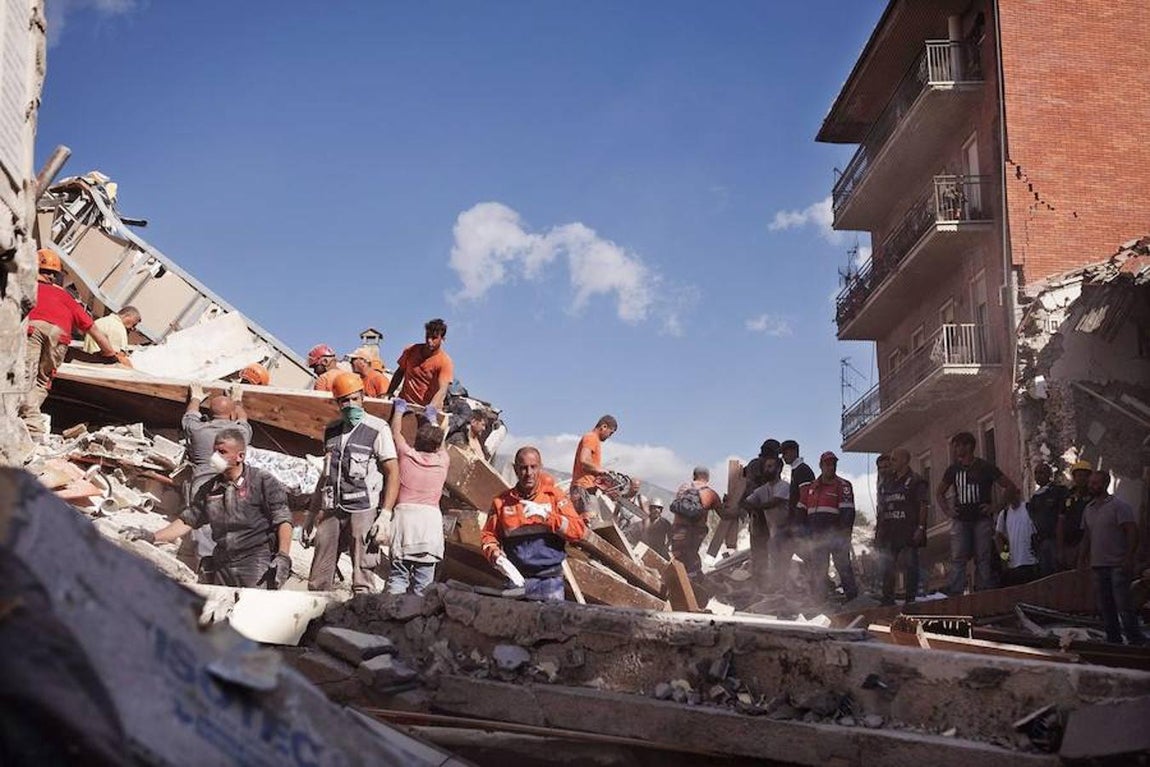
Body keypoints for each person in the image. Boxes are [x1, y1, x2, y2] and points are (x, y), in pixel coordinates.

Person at [123, 429, 293, 589]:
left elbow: (283, 519)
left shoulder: (262, 481)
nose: (215, 457)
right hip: (223, 563)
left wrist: (283, 555)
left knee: (251, 613)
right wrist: (152, 536)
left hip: (255, 562)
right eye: (215, 451)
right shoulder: (210, 488)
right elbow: (188, 520)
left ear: (240, 456)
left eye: (222, 452)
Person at [305, 372, 399, 593]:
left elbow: (393, 472)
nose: (349, 404)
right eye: (344, 400)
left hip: (363, 508)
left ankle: (361, 613)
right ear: (337, 402)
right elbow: (325, 475)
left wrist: (385, 514)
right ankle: (315, 616)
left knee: (363, 569)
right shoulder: (331, 430)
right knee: (320, 569)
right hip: (332, 507)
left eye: (354, 398)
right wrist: (311, 514)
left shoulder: (377, 428)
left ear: (362, 397)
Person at [20, 249, 123, 438]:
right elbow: (93, 329)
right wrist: (110, 355)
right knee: (42, 382)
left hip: (32, 330)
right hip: (60, 337)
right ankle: (28, 423)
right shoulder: (66, 297)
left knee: (24, 378)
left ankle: (32, 426)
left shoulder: (24, 288)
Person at [481, 446, 587, 601]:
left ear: (540, 468)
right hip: (517, 580)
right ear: (515, 469)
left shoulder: (554, 497)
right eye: (523, 468)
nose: (529, 473)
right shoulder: (502, 503)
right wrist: (494, 554)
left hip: (549, 581)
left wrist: (549, 517)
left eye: (533, 467)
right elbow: (488, 536)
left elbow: (578, 531)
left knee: (550, 624)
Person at [372, 398, 448, 596]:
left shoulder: (406, 456)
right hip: (430, 524)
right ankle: (417, 620)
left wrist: (399, 411)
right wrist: (432, 418)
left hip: (406, 520)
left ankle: (391, 615)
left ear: (417, 441)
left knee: (398, 576)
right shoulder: (442, 462)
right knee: (424, 583)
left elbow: (395, 433)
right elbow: (441, 444)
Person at [181, 384, 253, 571]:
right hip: (231, 488)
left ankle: (206, 570)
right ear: (231, 416)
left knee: (204, 531)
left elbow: (189, 416)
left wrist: (196, 398)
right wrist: (237, 400)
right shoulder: (240, 435)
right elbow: (243, 418)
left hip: (202, 487)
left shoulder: (198, 431)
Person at [937, 431, 1018, 594]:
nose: (956, 449)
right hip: (961, 519)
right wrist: (948, 511)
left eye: (958, 445)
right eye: (955, 446)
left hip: (982, 519)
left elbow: (1010, 486)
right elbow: (939, 492)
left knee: (983, 556)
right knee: (959, 556)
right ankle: (956, 590)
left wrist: (996, 506)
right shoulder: (953, 470)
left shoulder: (985, 467)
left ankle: (984, 589)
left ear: (968, 446)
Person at [1078, 470, 1146, 645]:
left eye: (1095, 483)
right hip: (1098, 565)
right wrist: (1081, 559)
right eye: (1090, 483)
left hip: (1117, 564)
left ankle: (1135, 640)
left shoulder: (1118, 506)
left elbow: (1131, 531)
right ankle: (1113, 640)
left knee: (1124, 605)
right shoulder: (1088, 509)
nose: (1091, 486)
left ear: (1105, 484)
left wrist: (1129, 557)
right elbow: (1087, 536)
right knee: (1105, 607)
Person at [797, 452, 858, 602]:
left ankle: (853, 599)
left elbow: (848, 512)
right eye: (828, 464)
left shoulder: (843, 486)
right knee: (819, 569)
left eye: (833, 464)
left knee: (843, 566)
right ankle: (820, 601)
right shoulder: (812, 487)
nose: (831, 467)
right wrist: (802, 533)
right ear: (821, 466)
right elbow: (801, 511)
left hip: (836, 535)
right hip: (817, 536)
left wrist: (844, 534)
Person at [874, 448, 928, 605]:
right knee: (887, 566)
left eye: (894, 460)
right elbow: (881, 509)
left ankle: (911, 599)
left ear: (904, 460)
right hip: (889, 532)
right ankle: (887, 599)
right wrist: (878, 532)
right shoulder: (887, 482)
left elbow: (923, 505)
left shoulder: (916, 480)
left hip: (908, 531)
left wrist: (921, 528)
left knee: (910, 564)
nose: (891, 463)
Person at [741, 454, 791, 592]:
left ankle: (784, 591)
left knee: (782, 563)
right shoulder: (763, 489)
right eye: (766, 467)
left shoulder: (784, 487)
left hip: (786, 532)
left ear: (779, 468)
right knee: (774, 562)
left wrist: (755, 507)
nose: (767, 470)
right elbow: (747, 502)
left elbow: (773, 503)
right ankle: (774, 590)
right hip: (773, 532)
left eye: (770, 466)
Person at [385, 318, 454, 408]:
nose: (429, 341)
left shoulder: (445, 362)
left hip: (426, 408)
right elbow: (400, 372)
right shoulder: (411, 350)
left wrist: (431, 408)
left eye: (434, 338)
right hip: (404, 404)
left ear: (443, 339)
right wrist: (389, 393)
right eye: (427, 336)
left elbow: (442, 390)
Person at [669, 467, 722, 577]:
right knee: (692, 556)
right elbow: (724, 514)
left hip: (678, 528)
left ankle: (675, 580)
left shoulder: (683, 488)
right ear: (708, 478)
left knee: (678, 556)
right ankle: (693, 582)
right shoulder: (710, 493)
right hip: (697, 530)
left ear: (693, 476)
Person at [569, 415, 618, 522]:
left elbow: (589, 467)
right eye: (611, 432)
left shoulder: (592, 439)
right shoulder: (591, 438)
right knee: (592, 523)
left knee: (583, 525)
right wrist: (603, 470)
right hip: (584, 488)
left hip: (585, 488)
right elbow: (584, 461)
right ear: (604, 426)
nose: (609, 436)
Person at [1027, 462, 1067, 577]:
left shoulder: (1058, 491)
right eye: (1036, 473)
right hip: (1041, 542)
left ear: (1049, 474)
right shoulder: (1034, 498)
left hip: (1055, 540)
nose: (1038, 476)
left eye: (1041, 473)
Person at [995, 487, 1039, 586]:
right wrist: (1004, 556)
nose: (1010, 498)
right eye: (1007, 497)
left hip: (1031, 562)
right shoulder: (1004, 514)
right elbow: (998, 536)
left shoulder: (1029, 508)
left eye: (1011, 495)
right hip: (1013, 564)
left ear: (1018, 493)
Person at [1059, 460, 1092, 571]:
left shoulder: (1094, 497)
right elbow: (1061, 521)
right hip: (1069, 545)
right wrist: (1060, 547)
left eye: (1085, 476)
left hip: (1089, 545)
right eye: (1079, 475)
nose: (1082, 478)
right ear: (1074, 477)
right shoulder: (1067, 496)